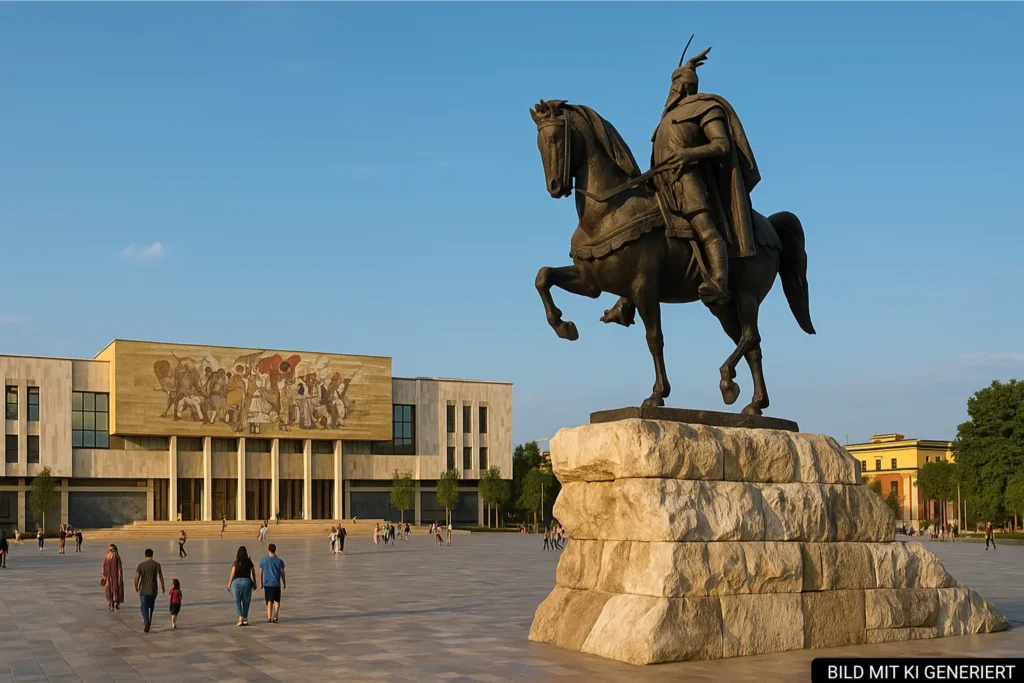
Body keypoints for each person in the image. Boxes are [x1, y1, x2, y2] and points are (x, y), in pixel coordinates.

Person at [648, 44, 761, 309]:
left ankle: (719, 282)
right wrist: (687, 65)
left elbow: (721, 144)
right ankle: (626, 301)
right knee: (643, 237)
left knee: (705, 227)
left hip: (689, 180)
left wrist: (688, 154)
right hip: (661, 184)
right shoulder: (667, 119)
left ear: (686, 86)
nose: (673, 88)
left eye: (677, 83)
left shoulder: (706, 108)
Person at [134, 548, 165, 633]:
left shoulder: (141, 565)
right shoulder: (157, 564)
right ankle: (149, 621)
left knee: (143, 606)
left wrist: (136, 586)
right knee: (151, 606)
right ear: (152, 554)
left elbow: (137, 577)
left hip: (143, 590)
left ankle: (146, 620)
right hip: (154, 590)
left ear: (145, 555)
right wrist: (163, 586)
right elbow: (161, 577)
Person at [227, 546, 256, 626]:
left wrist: (229, 584)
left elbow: (232, 573)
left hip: (236, 582)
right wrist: (255, 583)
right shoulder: (249, 562)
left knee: (237, 600)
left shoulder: (236, 562)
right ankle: (245, 618)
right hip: (247, 581)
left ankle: (240, 617)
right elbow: (252, 573)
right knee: (246, 601)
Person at [258, 543, 286, 624]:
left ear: (268, 550)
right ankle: (276, 615)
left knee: (269, 600)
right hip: (276, 583)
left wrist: (261, 582)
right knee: (277, 600)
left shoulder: (263, 560)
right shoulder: (279, 561)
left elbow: (260, 572)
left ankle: (269, 617)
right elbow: (282, 573)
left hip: (267, 583)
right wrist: (284, 582)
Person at [102, 544, 125, 611]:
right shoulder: (115, 556)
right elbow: (119, 568)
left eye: (111, 549)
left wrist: (103, 575)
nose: (110, 551)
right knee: (113, 590)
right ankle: (114, 603)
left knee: (111, 590)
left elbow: (103, 566)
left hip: (111, 576)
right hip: (112, 576)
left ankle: (113, 604)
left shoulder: (107, 556)